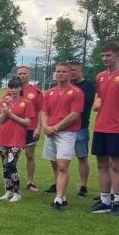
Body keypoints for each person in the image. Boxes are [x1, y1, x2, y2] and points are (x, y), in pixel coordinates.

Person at [89, 42, 119, 216]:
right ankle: (104, 200)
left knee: (116, 166)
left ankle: (118, 203)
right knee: (101, 164)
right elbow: (100, 99)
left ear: (117, 55)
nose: (105, 58)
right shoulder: (100, 77)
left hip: (118, 129)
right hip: (100, 127)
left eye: (108, 55)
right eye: (103, 55)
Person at [41, 63, 84, 211]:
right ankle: (63, 196)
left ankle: (58, 199)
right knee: (55, 165)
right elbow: (44, 112)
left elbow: (75, 115)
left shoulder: (76, 92)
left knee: (62, 166)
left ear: (70, 74)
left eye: (64, 72)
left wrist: (56, 127)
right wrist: (45, 126)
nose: (60, 74)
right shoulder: (50, 92)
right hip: (50, 132)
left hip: (66, 133)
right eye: (58, 71)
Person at [0, 76, 35, 202]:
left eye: (15, 87)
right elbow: (0, 120)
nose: (13, 90)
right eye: (11, 87)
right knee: (5, 165)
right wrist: (6, 108)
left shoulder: (26, 103)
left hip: (17, 138)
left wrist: (11, 115)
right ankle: (8, 191)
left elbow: (27, 122)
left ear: (20, 88)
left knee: (12, 164)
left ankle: (17, 193)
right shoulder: (2, 103)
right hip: (4, 137)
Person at [68, 61, 95, 197]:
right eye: (70, 70)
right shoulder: (66, 85)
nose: (72, 72)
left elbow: (84, 105)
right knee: (60, 158)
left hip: (81, 127)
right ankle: (58, 182)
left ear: (80, 70)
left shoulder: (88, 86)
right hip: (64, 128)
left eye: (74, 70)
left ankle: (84, 186)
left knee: (82, 157)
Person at [16, 65, 44, 192]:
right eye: (20, 74)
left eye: (24, 73)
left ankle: (30, 182)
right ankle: (13, 180)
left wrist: (38, 127)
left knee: (29, 155)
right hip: (16, 128)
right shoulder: (12, 89)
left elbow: (40, 111)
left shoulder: (36, 92)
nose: (22, 76)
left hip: (31, 128)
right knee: (13, 156)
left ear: (29, 75)